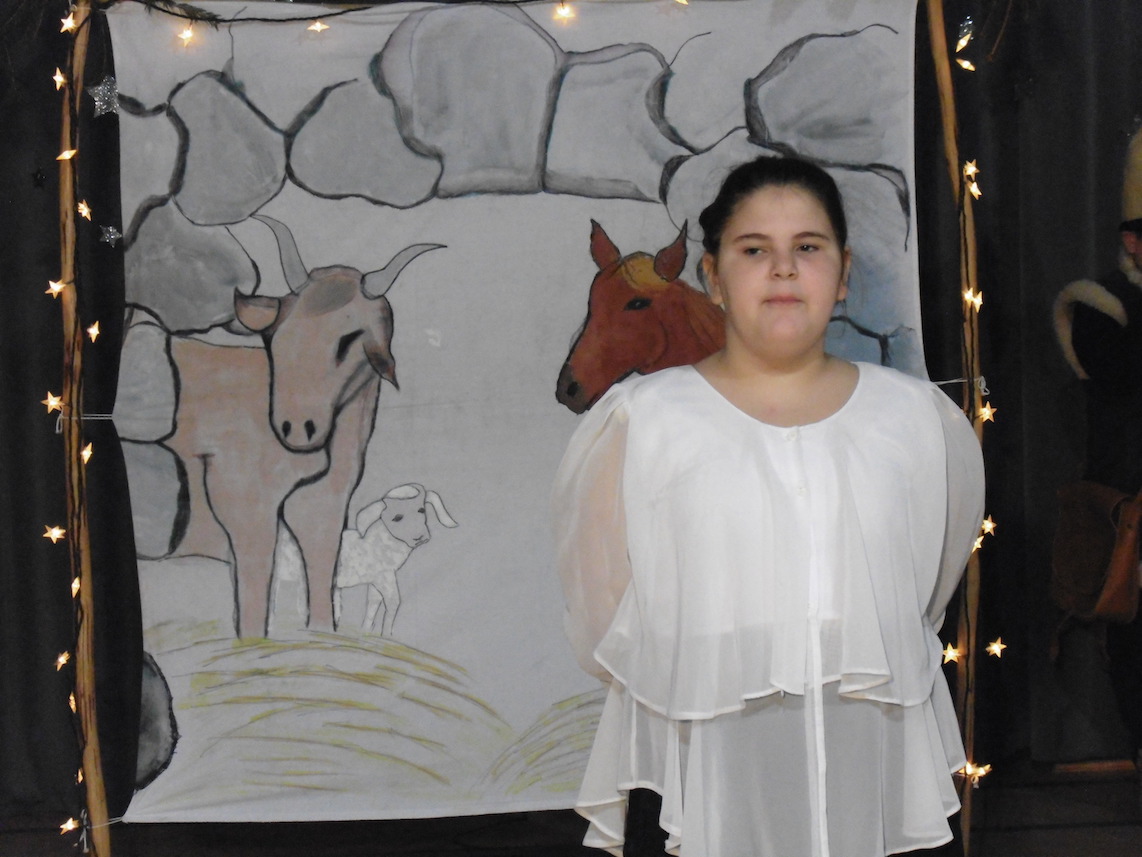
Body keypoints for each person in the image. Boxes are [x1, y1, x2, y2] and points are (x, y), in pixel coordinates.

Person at [552, 156, 985, 857]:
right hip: (705, 766)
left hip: (867, 759)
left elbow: (927, 586)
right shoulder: (642, 423)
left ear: (842, 273)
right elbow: (606, 613)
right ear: (713, 276)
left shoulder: (915, 420)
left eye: (807, 247)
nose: (783, 269)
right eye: (755, 250)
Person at [1054, 210, 1142, 762]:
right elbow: (1118, 380)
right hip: (1132, 503)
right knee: (1134, 634)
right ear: (1133, 241)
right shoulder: (1101, 307)